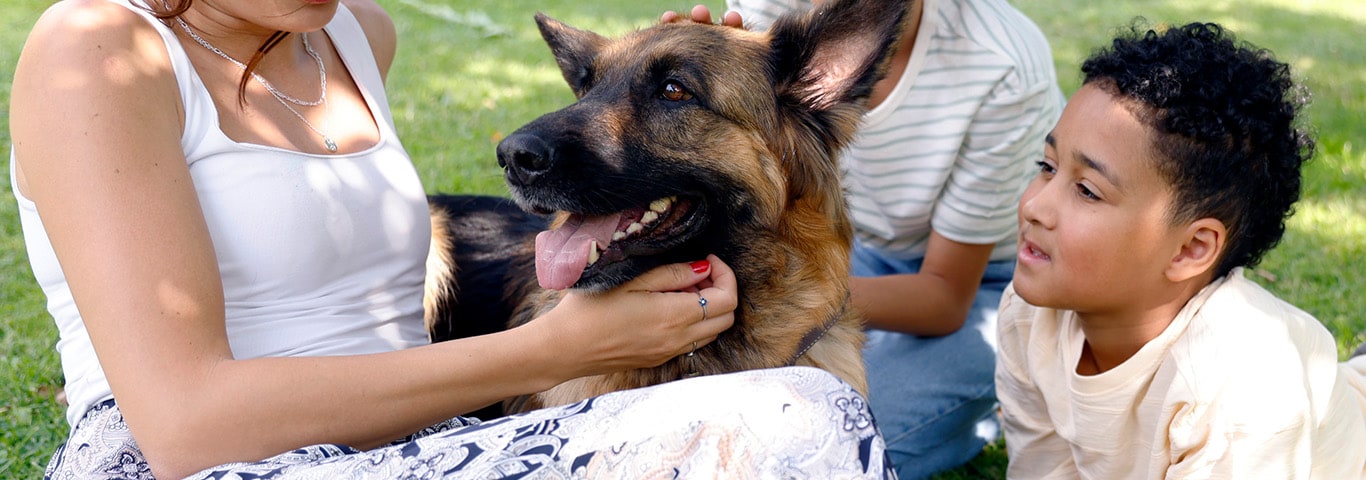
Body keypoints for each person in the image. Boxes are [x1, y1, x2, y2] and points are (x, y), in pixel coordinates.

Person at [9, 1, 891, 478]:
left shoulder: (352, 34)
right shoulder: (96, 46)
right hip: (209, 470)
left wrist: (693, 70)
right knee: (793, 421)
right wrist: (546, 351)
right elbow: (184, 430)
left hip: (405, 446)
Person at [687, 0, 1065, 476]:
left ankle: (984, 401)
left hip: (989, 284)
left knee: (828, 440)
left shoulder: (1002, 62)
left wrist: (768, 293)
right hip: (843, 252)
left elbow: (944, 297)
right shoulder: (770, 8)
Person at [995, 21, 1366, 478]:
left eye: (1088, 191)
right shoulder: (1029, 315)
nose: (1035, 205)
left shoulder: (1246, 388)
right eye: (1046, 166)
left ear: (1190, 248)